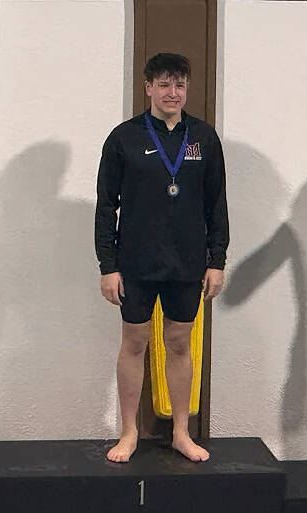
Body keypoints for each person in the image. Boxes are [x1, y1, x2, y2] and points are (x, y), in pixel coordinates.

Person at [95, 53, 229, 463]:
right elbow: (106, 206)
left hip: (187, 262)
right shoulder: (124, 138)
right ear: (148, 88)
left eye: (180, 85)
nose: (173, 93)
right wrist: (108, 266)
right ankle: (129, 431)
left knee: (179, 343)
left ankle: (181, 433)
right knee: (134, 342)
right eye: (165, 85)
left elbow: (217, 204)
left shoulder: (203, 138)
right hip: (136, 262)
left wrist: (217, 260)